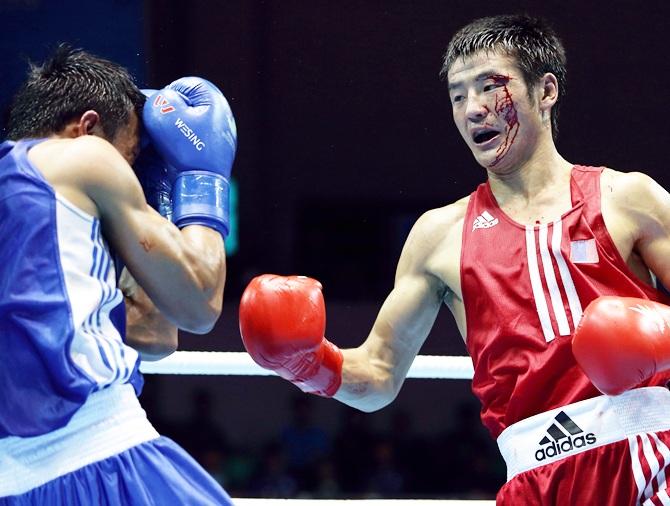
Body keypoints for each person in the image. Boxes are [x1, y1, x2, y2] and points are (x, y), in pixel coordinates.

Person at [238, 14, 670, 504]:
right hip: (534, 484)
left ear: (546, 91)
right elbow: (378, 375)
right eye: (458, 96)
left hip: (653, 460)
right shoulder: (439, 237)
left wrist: (659, 338)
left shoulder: (626, 198)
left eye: (490, 87)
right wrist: (305, 362)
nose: (473, 110)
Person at [0, 45, 236, 504]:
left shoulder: (41, 237)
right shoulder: (85, 157)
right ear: (87, 127)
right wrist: (201, 177)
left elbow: (154, 333)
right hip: (102, 457)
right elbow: (199, 303)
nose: (132, 172)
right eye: (131, 156)